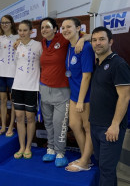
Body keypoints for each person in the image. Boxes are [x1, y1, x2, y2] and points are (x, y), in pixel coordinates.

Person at [39, 17, 89, 167]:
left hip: (62, 90)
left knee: (59, 123)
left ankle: (60, 152)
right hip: (44, 88)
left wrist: (82, 40)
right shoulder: (42, 42)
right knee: (48, 122)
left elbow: (91, 35)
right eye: (42, 27)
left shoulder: (64, 38)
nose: (44, 30)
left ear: (55, 29)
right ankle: (51, 149)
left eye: (47, 27)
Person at [90, 26, 130, 186]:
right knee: (103, 167)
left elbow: (125, 97)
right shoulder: (99, 63)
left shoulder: (118, 64)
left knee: (106, 169)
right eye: (94, 40)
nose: (97, 43)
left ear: (111, 42)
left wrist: (114, 125)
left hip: (110, 128)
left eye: (102, 39)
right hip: (96, 125)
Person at [61, 17, 95, 172]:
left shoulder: (86, 47)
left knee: (88, 128)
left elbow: (87, 75)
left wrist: (81, 100)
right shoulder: (69, 46)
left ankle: (85, 161)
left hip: (86, 96)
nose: (65, 30)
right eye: (63, 27)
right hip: (74, 94)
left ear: (78, 28)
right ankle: (85, 157)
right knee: (74, 125)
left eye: (69, 26)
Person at [12, 20, 42, 159]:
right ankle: (21, 146)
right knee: (19, 117)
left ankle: (28, 146)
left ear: (31, 31)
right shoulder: (16, 46)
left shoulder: (38, 45)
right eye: (20, 30)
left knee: (30, 117)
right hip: (17, 86)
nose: (22, 33)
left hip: (32, 87)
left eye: (25, 30)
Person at [0, 15, 19, 137]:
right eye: (2, 22)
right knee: (3, 100)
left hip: (13, 73)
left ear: (11, 23)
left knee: (13, 101)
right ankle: (3, 126)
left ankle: (11, 126)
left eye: (7, 22)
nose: (4, 24)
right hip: (0, 72)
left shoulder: (17, 37)